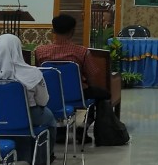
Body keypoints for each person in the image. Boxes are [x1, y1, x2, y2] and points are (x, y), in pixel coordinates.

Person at [0, 34, 56, 165]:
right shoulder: (32, 73)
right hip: (27, 117)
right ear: (18, 50)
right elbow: (43, 101)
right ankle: (43, 159)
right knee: (50, 119)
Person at [35, 14, 111, 143]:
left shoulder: (40, 51)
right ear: (72, 31)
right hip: (77, 94)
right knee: (103, 95)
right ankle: (83, 129)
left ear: (53, 31)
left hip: (51, 94)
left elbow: (39, 74)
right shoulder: (82, 52)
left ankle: (59, 130)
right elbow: (92, 73)